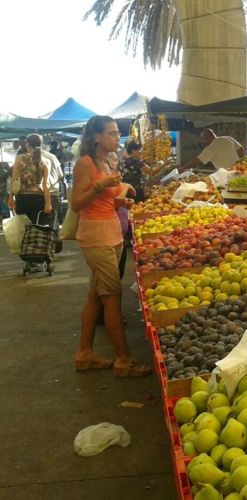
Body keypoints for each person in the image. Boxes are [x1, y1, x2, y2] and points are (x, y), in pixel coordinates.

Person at [71, 115, 150, 377]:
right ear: (96, 137)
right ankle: (123, 361)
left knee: (96, 296)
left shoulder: (106, 161)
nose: (118, 137)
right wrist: (100, 186)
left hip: (111, 233)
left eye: (118, 133)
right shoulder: (85, 164)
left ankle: (84, 354)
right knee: (112, 300)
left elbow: (104, 202)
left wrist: (119, 203)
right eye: (112, 133)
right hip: (97, 237)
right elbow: (77, 204)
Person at [7, 134, 52, 224]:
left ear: (27, 144)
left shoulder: (19, 158)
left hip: (21, 198)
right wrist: (48, 203)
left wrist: (11, 197)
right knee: (37, 228)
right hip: (38, 199)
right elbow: (45, 184)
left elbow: (14, 178)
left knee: (22, 230)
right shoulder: (45, 161)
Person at [179, 128, 244, 172]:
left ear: (209, 137)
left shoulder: (211, 147)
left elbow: (196, 161)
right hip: (239, 170)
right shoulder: (227, 138)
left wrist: (183, 168)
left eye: (203, 139)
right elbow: (241, 150)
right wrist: (238, 163)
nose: (203, 142)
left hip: (227, 174)